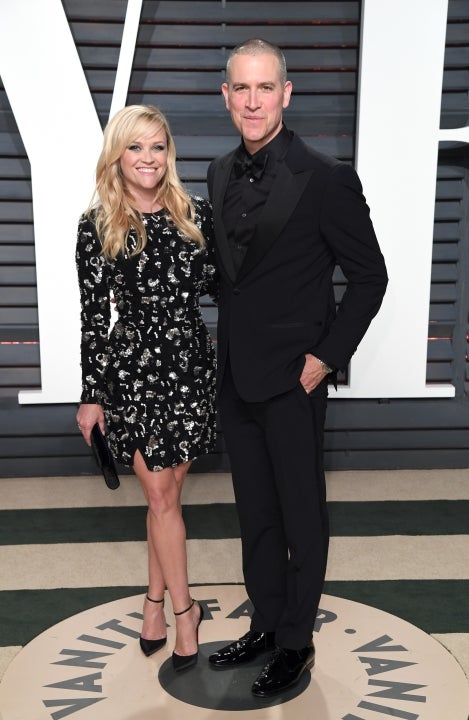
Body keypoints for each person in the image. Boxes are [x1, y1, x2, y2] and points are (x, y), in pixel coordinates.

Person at [206, 39, 388, 696]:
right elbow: (233, 277)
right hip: (236, 377)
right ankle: (265, 621)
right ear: (226, 97)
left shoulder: (327, 177)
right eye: (241, 89)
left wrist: (325, 358)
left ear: (285, 93)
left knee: (301, 514)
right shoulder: (217, 172)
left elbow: (370, 278)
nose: (252, 101)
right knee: (255, 512)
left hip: (293, 379)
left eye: (265, 88)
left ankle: (294, 642)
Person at [75, 104, 217, 672]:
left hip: (190, 368)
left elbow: (225, 286)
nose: (148, 158)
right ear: (118, 154)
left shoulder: (195, 214)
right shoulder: (97, 224)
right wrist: (91, 394)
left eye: (157, 146)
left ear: (169, 153)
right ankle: (186, 615)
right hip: (133, 373)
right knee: (160, 497)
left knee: (168, 498)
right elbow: (93, 317)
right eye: (135, 147)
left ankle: (152, 603)